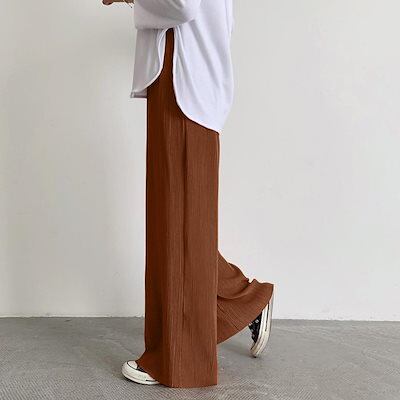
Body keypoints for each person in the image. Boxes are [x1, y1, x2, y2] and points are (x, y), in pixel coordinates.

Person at [103, 0, 275, 388]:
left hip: (185, 78)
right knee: (174, 219)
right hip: (182, 73)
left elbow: (180, 6)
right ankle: (246, 299)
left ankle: (180, 361)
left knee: (179, 222)